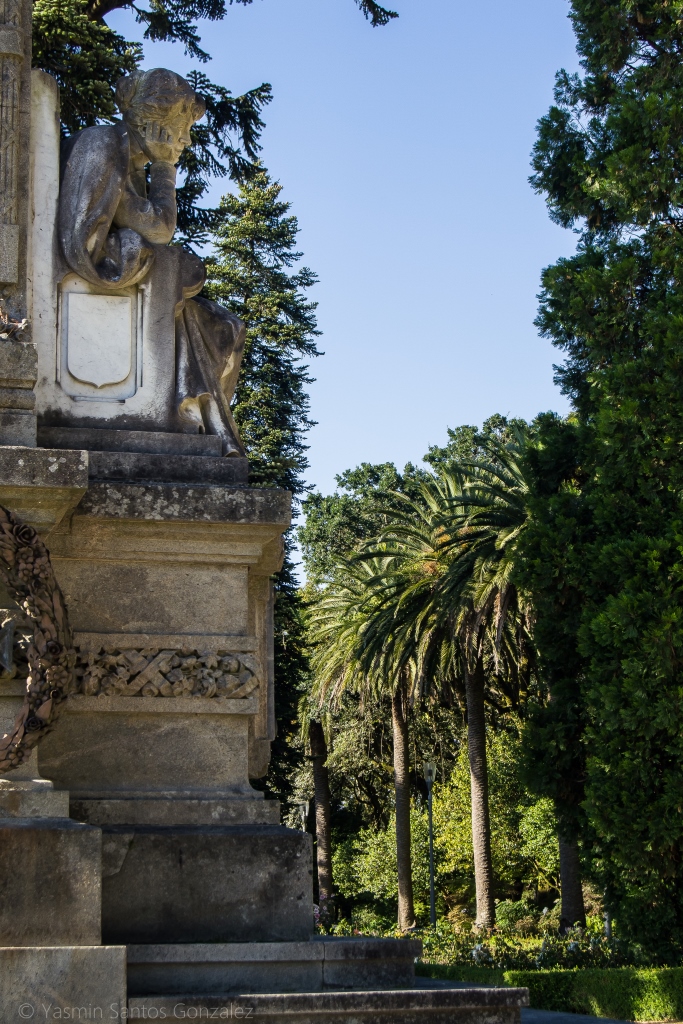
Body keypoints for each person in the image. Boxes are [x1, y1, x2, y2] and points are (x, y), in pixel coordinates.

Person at [58, 68, 246, 456]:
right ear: (154, 122)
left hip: (134, 287)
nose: (185, 141)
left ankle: (202, 426)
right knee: (218, 329)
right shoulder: (104, 146)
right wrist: (164, 168)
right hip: (102, 281)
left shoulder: (126, 160)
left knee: (228, 328)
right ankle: (195, 423)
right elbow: (159, 230)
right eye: (181, 130)